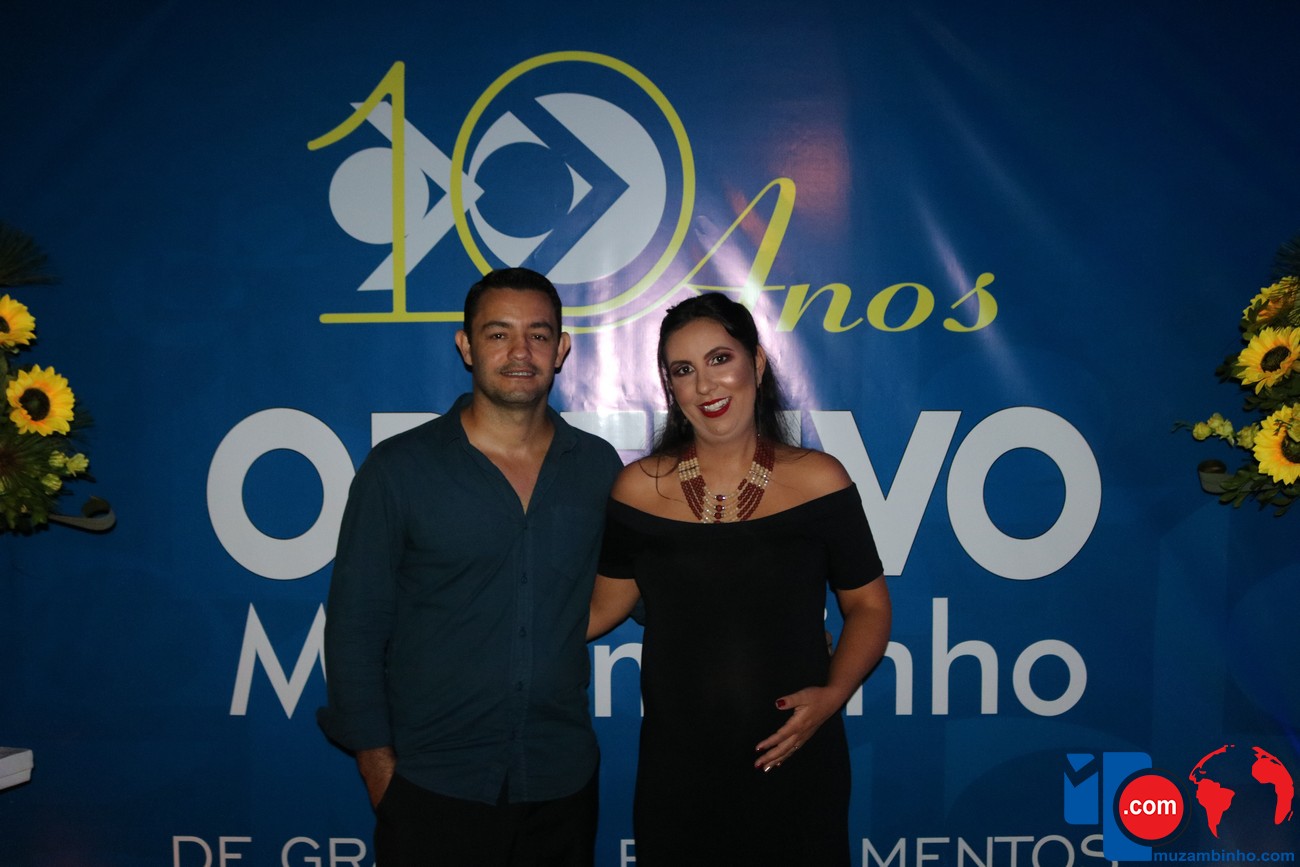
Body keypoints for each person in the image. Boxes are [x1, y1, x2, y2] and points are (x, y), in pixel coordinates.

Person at [319, 268, 622, 867]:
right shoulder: (399, 469)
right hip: (432, 786)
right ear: (466, 346)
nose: (520, 352)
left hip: (560, 784)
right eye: (498, 334)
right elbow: (354, 629)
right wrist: (382, 775)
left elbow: (653, 583)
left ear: (561, 349)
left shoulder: (596, 466)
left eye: (538, 335)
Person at [588, 293, 891, 866]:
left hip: (794, 758)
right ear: (670, 387)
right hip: (679, 773)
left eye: (720, 359)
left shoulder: (820, 480)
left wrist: (832, 696)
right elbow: (602, 608)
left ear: (757, 362)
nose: (705, 385)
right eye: (684, 370)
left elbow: (870, 608)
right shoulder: (638, 489)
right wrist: (479, 614)